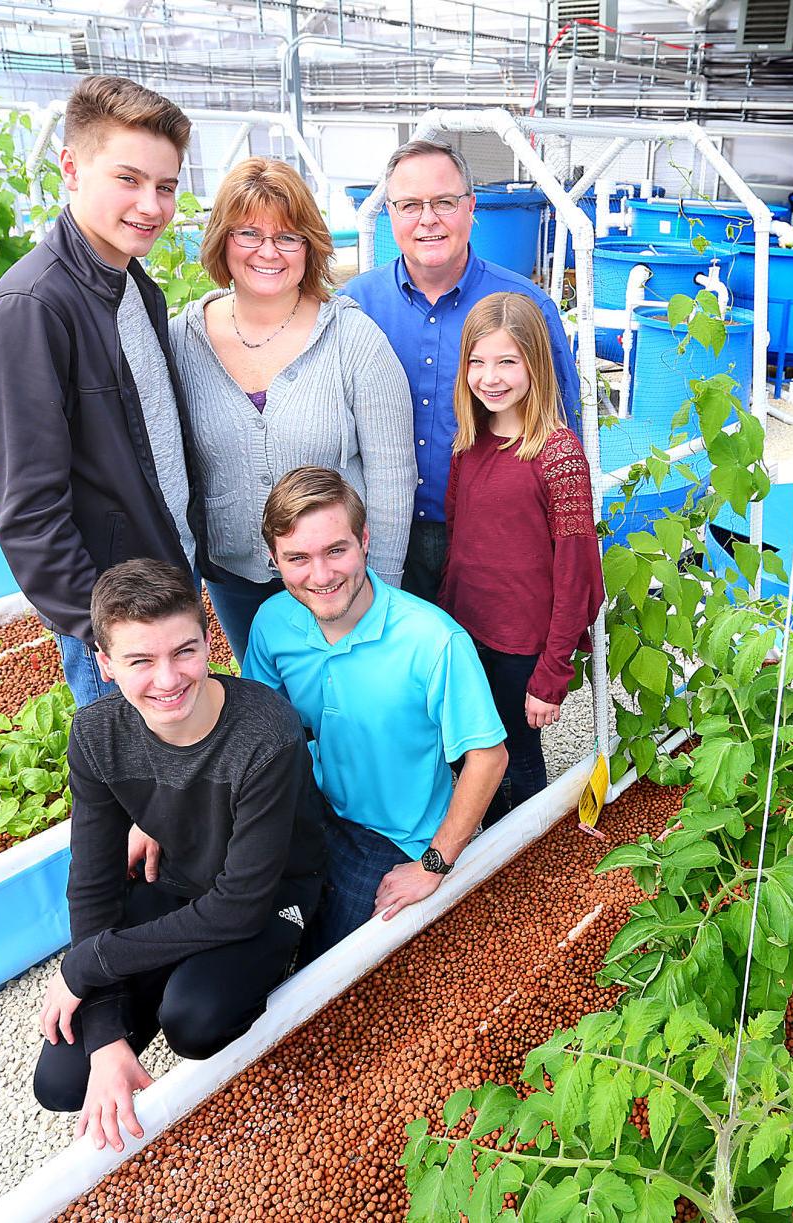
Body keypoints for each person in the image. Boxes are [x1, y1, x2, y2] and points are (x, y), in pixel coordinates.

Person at [32, 559, 325, 1152]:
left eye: (184, 652)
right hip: (180, 881)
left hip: (269, 897)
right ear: (105, 664)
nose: (167, 679)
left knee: (194, 1022)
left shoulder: (265, 731)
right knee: (62, 1081)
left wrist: (88, 966)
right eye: (140, 660)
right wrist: (106, 1035)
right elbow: (93, 883)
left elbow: (239, 906)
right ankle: (155, 990)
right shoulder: (96, 734)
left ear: (208, 641)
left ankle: (261, 971)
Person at [0, 76, 197, 707]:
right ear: (71, 168)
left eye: (166, 186)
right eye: (129, 179)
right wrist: (104, 634)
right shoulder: (33, 308)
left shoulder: (132, 285)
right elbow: (29, 511)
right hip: (118, 621)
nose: (151, 205)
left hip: (162, 584)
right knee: (131, 759)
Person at [243, 466, 506, 959]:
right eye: (298, 558)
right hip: (313, 803)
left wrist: (434, 864)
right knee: (259, 946)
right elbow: (253, 725)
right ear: (274, 560)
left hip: (395, 833)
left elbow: (489, 758)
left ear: (364, 540)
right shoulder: (273, 622)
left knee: (328, 966)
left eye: (335, 550)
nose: (321, 576)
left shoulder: (434, 639)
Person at [172, 157, 415, 666]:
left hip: (339, 580)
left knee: (345, 698)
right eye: (248, 233)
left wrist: (381, 595)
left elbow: (392, 477)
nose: (268, 252)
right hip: (235, 578)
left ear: (310, 246)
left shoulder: (353, 339)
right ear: (221, 241)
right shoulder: (182, 340)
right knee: (267, 701)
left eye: (288, 237)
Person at [341, 140, 584, 605]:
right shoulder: (355, 306)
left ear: (471, 208)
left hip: (491, 538)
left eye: (444, 202)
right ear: (390, 213)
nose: (427, 219)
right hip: (380, 533)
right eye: (410, 205)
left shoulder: (525, 307)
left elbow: (559, 426)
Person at [439, 293, 603, 822]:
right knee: (473, 751)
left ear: (535, 364)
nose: (490, 378)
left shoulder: (559, 455)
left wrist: (552, 672)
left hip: (521, 646)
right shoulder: (469, 443)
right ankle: (483, 838)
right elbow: (460, 544)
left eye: (507, 362)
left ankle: (524, 847)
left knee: (518, 754)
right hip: (467, 635)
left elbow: (578, 576)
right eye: (477, 361)